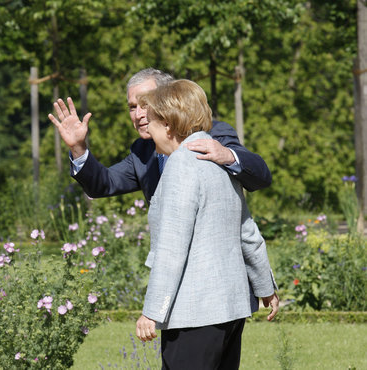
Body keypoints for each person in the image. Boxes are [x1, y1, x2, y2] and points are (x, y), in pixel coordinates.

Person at [134, 79, 277, 369]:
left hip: (195, 315)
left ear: (169, 126)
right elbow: (247, 232)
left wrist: (151, 312)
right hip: (231, 313)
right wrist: (265, 287)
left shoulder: (180, 166)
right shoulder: (218, 159)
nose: (148, 130)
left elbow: (172, 250)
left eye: (152, 123)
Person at [48, 68, 272, 205]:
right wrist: (78, 147)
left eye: (145, 104)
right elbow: (102, 184)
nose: (138, 115)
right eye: (132, 107)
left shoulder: (213, 134)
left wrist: (227, 155)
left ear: (167, 100)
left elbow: (261, 176)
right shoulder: (142, 152)